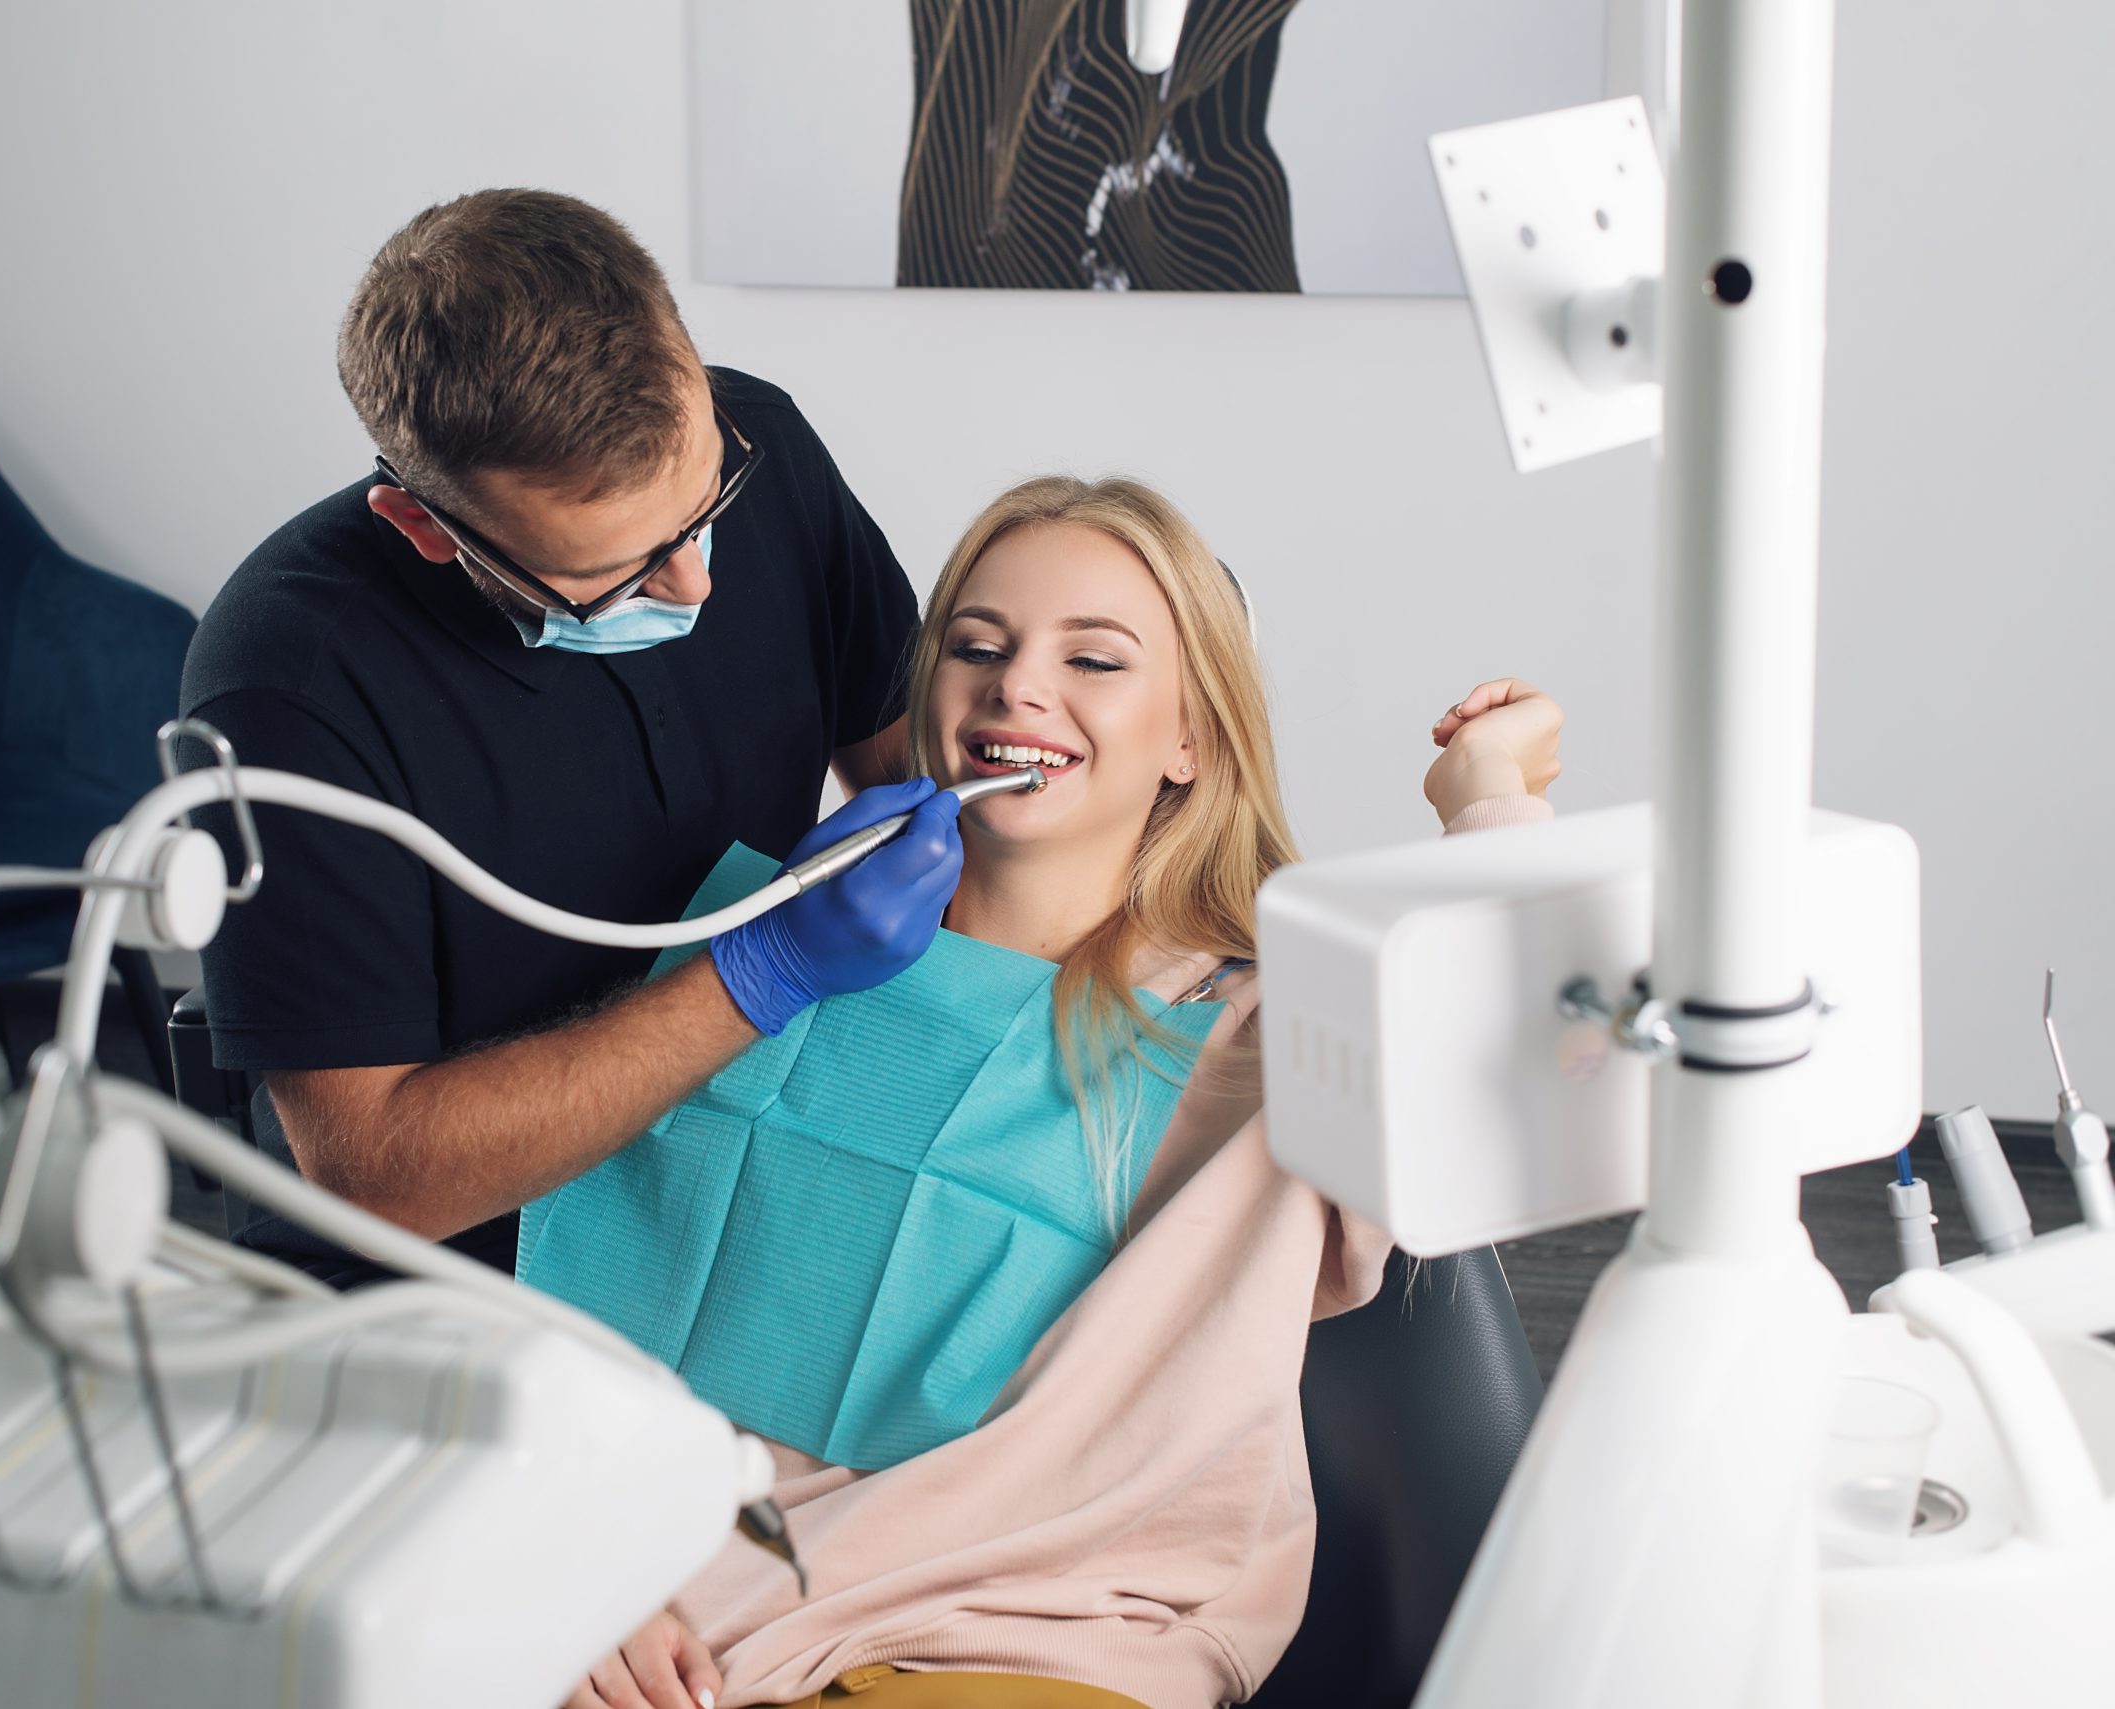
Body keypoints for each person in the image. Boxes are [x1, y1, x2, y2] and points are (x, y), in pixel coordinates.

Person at [536, 477, 1562, 1709]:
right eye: (978, 645)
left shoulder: (1263, 1026)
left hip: (1030, 1636)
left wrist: (1490, 786)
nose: (1017, 685)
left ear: (1190, 737)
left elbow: (1524, 1044)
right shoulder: (764, 948)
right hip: (652, 1610)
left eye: (1095, 657)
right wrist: (571, 1552)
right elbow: (569, 1333)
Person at [179, 189, 964, 1281]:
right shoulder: (289, 681)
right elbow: (373, 1175)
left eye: (706, 509)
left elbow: (917, 777)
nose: (695, 581)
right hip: (481, 1269)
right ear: (425, 525)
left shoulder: (763, 436)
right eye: (615, 576)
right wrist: (760, 971)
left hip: (748, 1162)